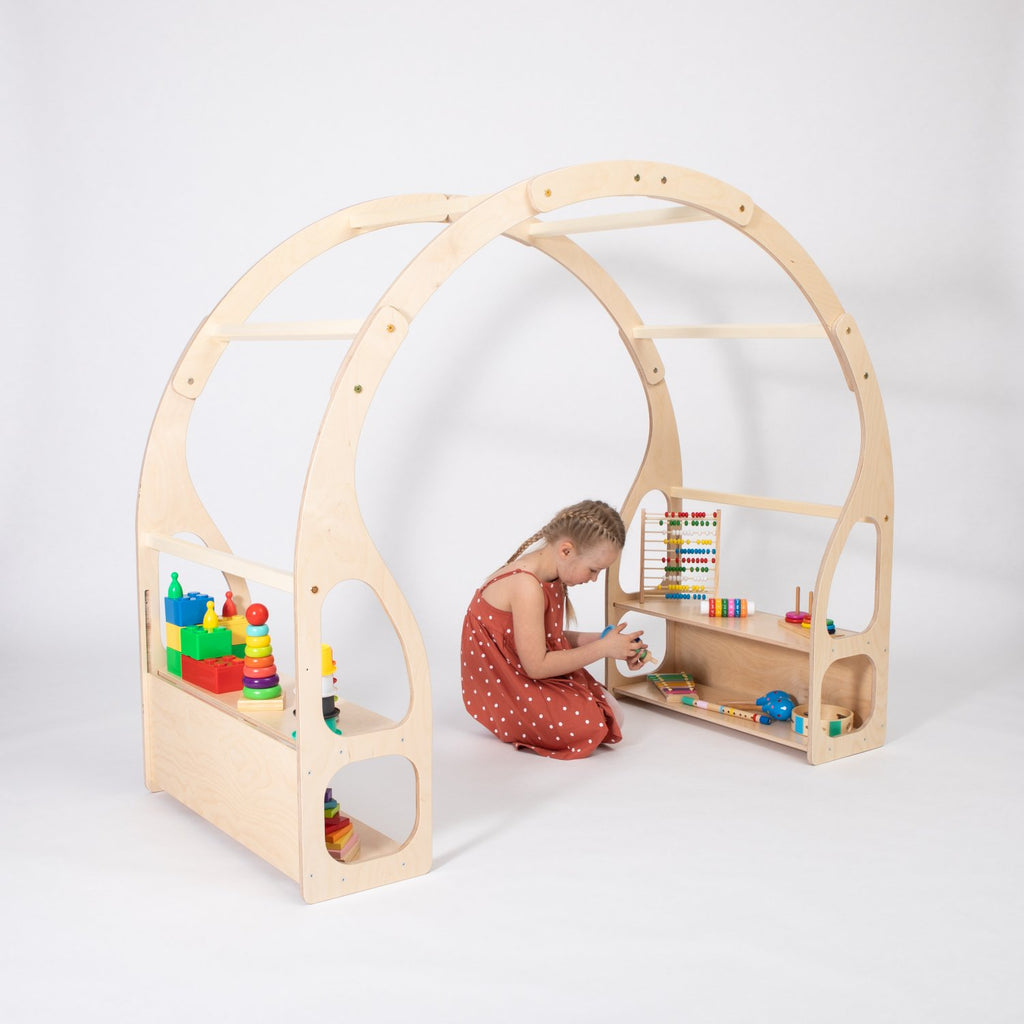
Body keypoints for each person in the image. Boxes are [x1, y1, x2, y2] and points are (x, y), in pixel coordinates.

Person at [461, 499, 646, 760]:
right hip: (508, 682)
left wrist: (609, 641)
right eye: (593, 570)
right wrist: (602, 649)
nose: (594, 579)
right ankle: (518, 720)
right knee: (590, 724)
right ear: (566, 551)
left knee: (610, 715)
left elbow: (551, 639)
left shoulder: (552, 575)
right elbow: (536, 666)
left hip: (524, 670)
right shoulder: (526, 586)